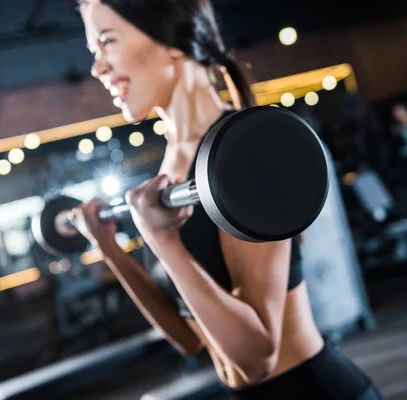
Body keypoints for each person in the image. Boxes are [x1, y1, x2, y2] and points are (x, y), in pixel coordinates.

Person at [69, 1, 384, 399]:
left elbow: (257, 358)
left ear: (171, 41)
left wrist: (162, 240)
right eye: (93, 52)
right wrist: (109, 247)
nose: (97, 68)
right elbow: (189, 338)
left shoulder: (247, 151)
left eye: (107, 42)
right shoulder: (173, 163)